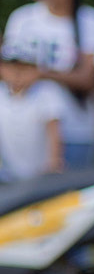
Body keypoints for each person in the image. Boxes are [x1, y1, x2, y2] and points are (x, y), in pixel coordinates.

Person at [4, 0, 94, 167]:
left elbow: (89, 79)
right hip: (28, 133)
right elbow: (9, 69)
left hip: (77, 131)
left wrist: (42, 74)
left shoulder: (91, 21)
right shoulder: (22, 19)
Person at [0, 40, 68, 181]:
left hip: (41, 176)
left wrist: (54, 164)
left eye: (25, 68)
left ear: (38, 70)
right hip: (8, 176)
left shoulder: (47, 93)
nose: (17, 73)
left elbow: (54, 131)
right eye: (12, 67)